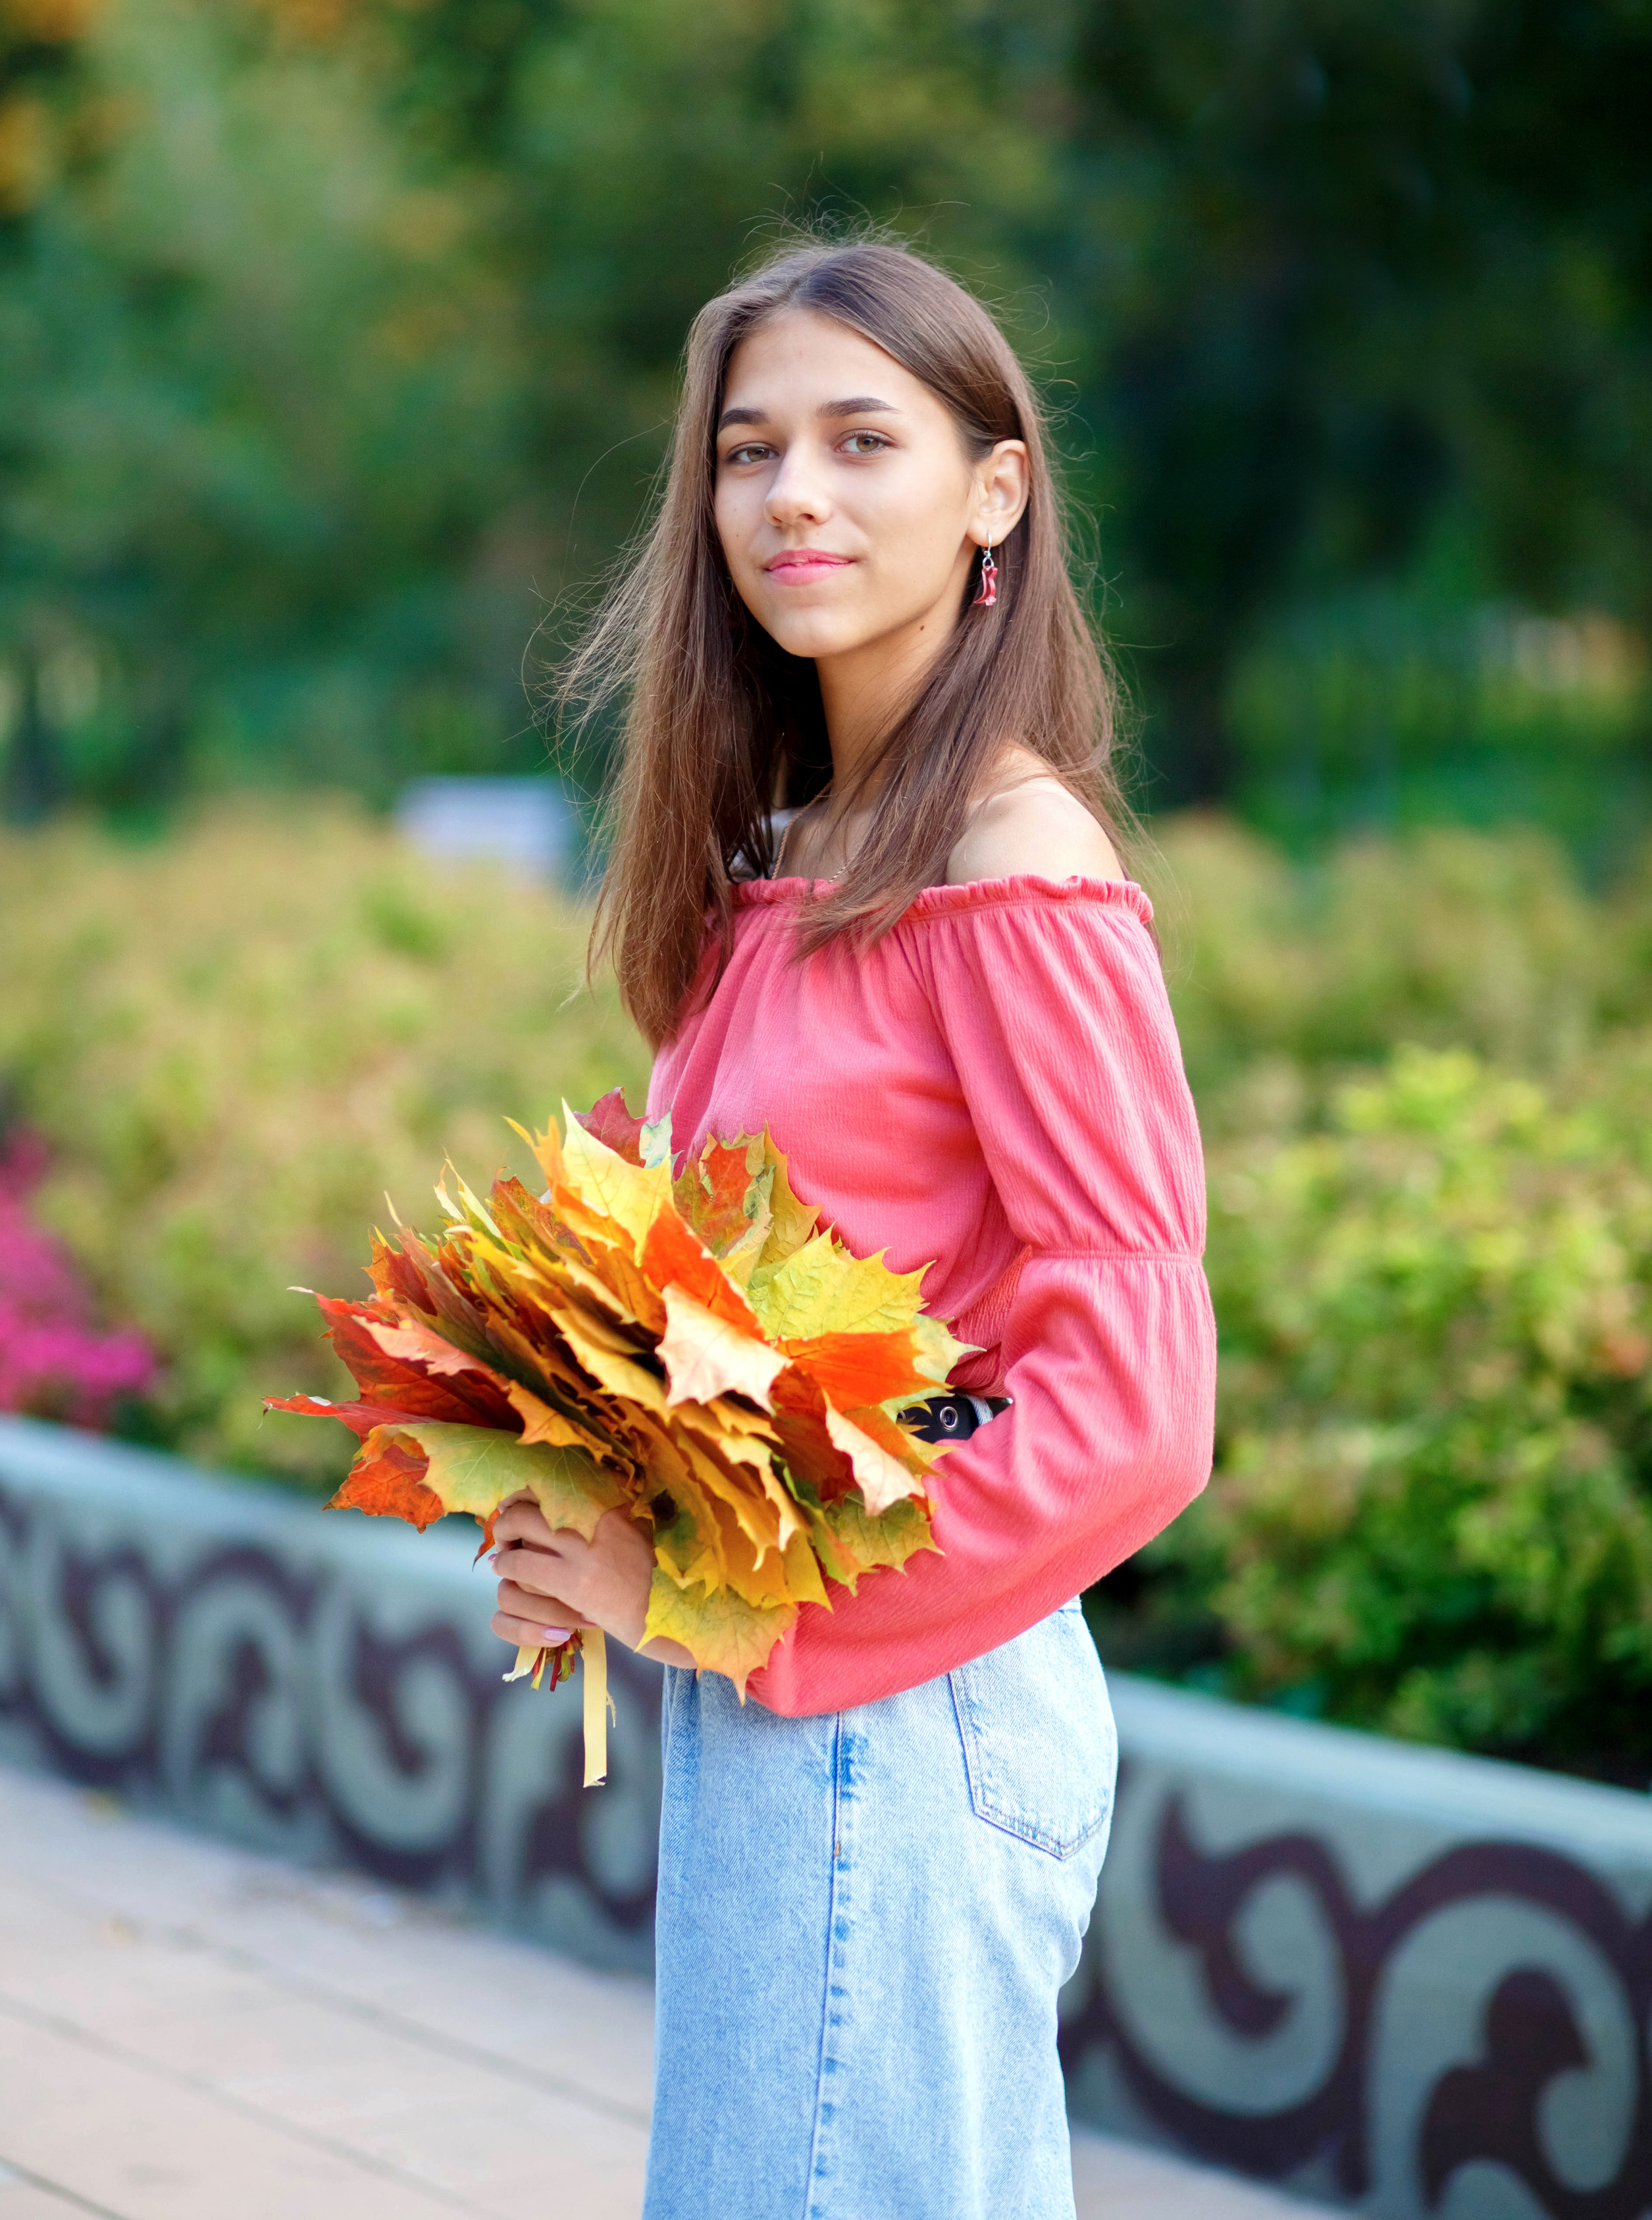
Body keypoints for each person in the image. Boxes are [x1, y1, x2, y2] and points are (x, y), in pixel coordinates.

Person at [488, 238, 1216, 2220]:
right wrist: (591, 1502)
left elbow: (1140, 1407)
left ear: (993, 493)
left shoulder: (1007, 859)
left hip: (905, 1704)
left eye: (859, 439)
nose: (791, 493)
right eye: (748, 451)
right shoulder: (794, 861)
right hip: (799, 1719)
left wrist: (730, 1605)